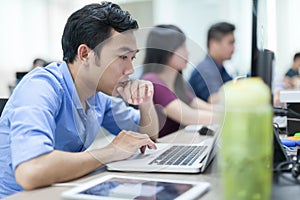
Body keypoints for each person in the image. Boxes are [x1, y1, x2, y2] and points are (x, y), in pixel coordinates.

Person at [0, 2, 159, 197]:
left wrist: (145, 102)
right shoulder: (41, 87)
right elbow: (30, 171)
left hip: (63, 190)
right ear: (85, 54)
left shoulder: (98, 96)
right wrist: (111, 151)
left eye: (132, 58)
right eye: (122, 57)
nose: (130, 70)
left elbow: (148, 139)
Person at [141, 24, 213, 138]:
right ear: (167, 50)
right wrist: (230, 116)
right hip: (160, 150)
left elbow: (205, 107)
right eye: (182, 47)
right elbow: (190, 117)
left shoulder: (178, 83)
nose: (187, 52)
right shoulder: (151, 81)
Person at [189, 22, 235, 103]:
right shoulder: (206, 69)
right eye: (230, 43)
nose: (233, 48)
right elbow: (214, 99)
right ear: (214, 44)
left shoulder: (220, 68)